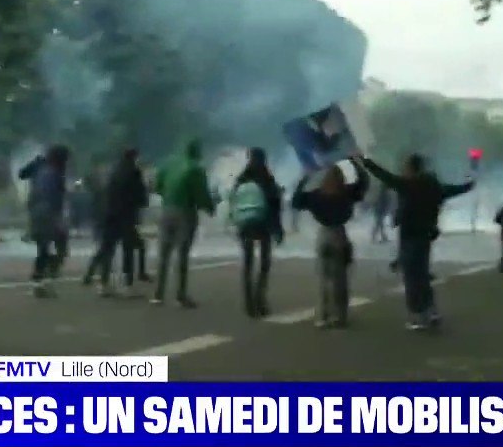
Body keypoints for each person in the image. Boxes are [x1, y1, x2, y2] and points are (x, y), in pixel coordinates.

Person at [362, 153, 474, 329]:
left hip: (409, 236)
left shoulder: (409, 185)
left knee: (411, 278)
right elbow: (455, 190)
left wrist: (365, 162)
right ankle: (431, 310)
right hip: (425, 236)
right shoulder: (433, 186)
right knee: (422, 275)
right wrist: (469, 183)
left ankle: (418, 316)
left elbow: (385, 176)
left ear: (410, 168)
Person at [292, 159, 369, 327]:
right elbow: (363, 183)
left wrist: (304, 180)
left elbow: (296, 202)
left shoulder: (316, 195)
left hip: (323, 235)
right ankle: (339, 316)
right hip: (339, 235)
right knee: (340, 279)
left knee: (323, 278)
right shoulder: (347, 193)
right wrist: (354, 164)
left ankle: (322, 316)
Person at [151, 139, 215, 307]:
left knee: (163, 253)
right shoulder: (195, 169)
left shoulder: (168, 164)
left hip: (166, 211)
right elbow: (201, 195)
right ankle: (180, 295)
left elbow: (157, 186)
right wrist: (210, 208)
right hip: (185, 212)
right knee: (182, 254)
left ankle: (158, 294)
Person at [228, 147, 284, 318]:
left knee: (247, 264)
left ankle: (249, 305)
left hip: (245, 225)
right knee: (264, 263)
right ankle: (260, 300)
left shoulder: (241, 178)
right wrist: (278, 230)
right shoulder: (267, 178)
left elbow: (233, 201)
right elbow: (275, 205)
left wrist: (235, 222)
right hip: (263, 224)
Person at [87, 148, 149, 297]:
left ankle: (103, 284)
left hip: (110, 215)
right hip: (126, 216)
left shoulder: (113, 172)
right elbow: (141, 197)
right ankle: (127, 285)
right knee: (128, 250)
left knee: (108, 249)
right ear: (134, 157)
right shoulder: (134, 172)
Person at [19, 145, 70, 297]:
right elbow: (54, 198)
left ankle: (39, 280)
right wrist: (58, 219)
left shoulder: (41, 168)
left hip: (35, 212)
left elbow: (21, 174)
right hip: (47, 214)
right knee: (60, 245)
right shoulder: (53, 172)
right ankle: (47, 276)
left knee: (43, 248)